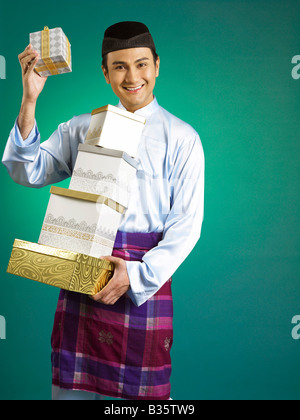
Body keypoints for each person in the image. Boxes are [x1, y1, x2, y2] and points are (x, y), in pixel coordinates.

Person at [2, 21, 205, 400]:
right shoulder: (82, 129)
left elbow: (186, 227)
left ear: (157, 66)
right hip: (82, 273)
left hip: (141, 279)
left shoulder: (182, 138)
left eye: (142, 64)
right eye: (120, 66)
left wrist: (137, 275)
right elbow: (26, 171)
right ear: (105, 72)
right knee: (72, 393)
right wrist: (29, 100)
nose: (133, 77)